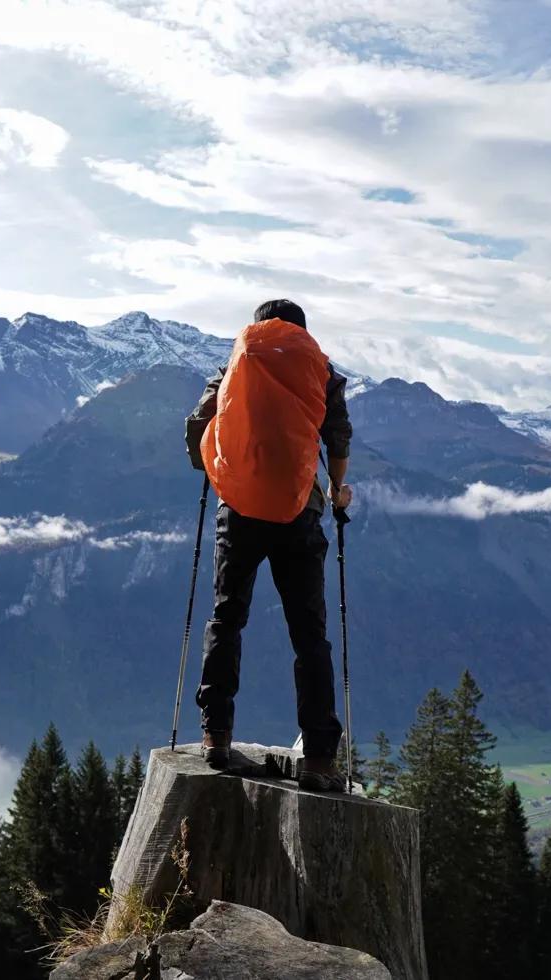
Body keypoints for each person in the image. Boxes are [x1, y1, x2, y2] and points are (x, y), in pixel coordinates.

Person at [184, 298, 354, 792]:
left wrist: (219, 465)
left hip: (237, 510)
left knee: (226, 616)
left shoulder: (235, 365)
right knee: (309, 634)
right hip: (300, 511)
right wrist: (338, 491)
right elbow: (338, 436)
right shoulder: (320, 370)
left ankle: (216, 735)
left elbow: (196, 429)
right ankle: (320, 758)